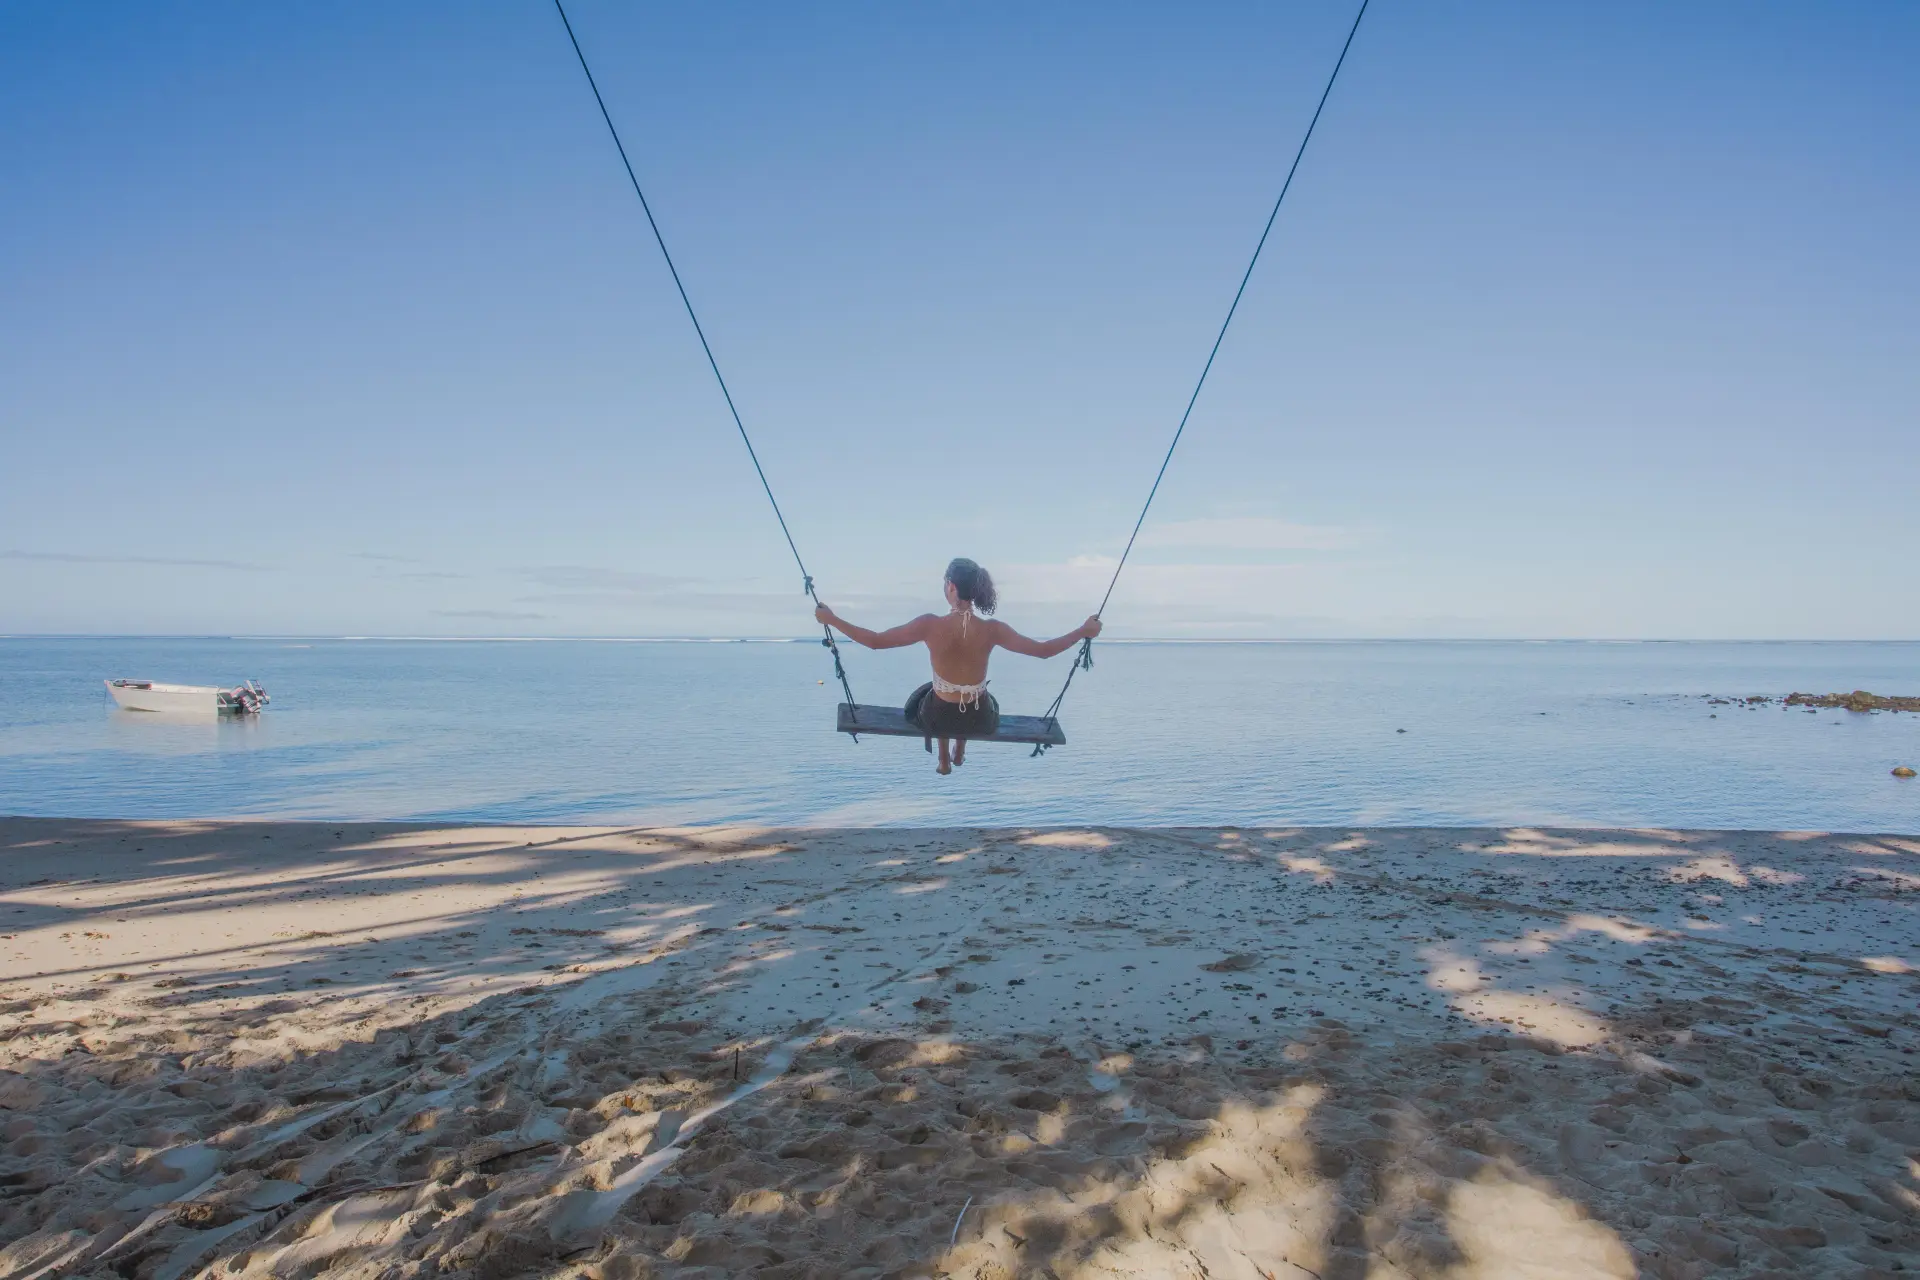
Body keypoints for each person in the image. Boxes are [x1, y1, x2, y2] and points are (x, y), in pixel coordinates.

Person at [814, 558, 1101, 775]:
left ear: (951, 586)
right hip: (979, 719)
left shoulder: (929, 625)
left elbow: (875, 641)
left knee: (929, 696)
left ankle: (944, 758)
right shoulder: (993, 629)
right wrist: (1083, 630)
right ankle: (959, 750)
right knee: (982, 697)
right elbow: (1044, 651)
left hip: (937, 718)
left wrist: (832, 619)